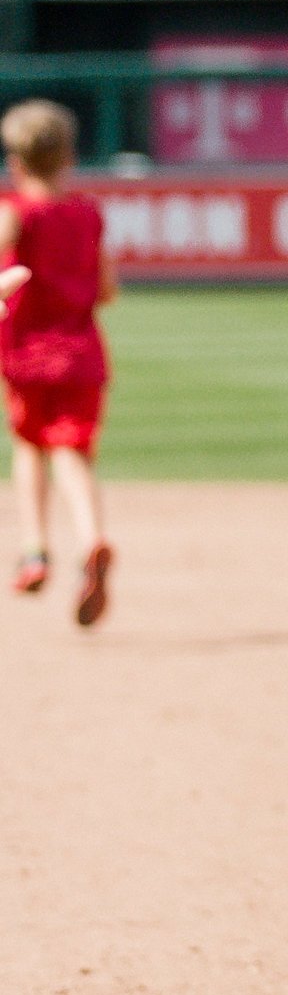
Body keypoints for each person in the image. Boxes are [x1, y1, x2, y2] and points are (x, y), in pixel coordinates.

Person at [0, 99, 115, 625]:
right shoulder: (88, 212)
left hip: (24, 354)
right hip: (81, 351)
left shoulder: (14, 212)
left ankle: (34, 549)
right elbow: (108, 288)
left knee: (29, 447)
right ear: (69, 155)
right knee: (74, 451)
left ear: (16, 159)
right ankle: (91, 537)